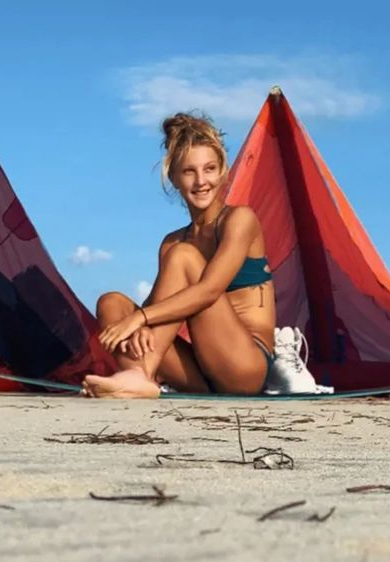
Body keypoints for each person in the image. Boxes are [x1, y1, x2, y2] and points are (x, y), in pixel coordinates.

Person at [81, 112, 277, 399]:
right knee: (111, 303)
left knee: (183, 257)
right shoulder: (172, 242)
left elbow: (209, 291)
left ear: (222, 171)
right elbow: (160, 304)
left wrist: (142, 318)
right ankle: (140, 378)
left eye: (209, 169)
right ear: (173, 177)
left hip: (244, 366)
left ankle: (139, 374)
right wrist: (141, 321)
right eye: (189, 171)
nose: (201, 181)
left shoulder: (239, 220)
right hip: (198, 371)